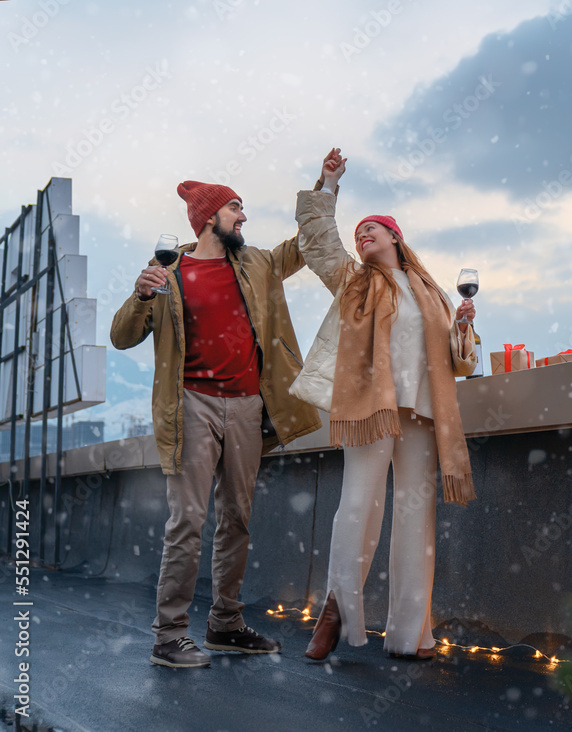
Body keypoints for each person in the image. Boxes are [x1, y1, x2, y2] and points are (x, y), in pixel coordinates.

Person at [110, 180, 322, 668]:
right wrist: (142, 295)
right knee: (188, 520)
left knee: (237, 519)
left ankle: (226, 624)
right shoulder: (169, 272)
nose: (243, 218)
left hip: (248, 406)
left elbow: (307, 245)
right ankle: (169, 635)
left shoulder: (256, 264)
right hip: (192, 405)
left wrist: (323, 188)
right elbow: (122, 337)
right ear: (208, 218)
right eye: (235, 209)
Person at [290, 147, 477, 661]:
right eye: (358, 233)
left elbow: (460, 363)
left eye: (371, 229)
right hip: (370, 406)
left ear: (395, 237)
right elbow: (317, 242)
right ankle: (335, 612)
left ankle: (410, 634)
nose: (361, 235)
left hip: (421, 413)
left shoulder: (432, 293)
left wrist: (463, 327)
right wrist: (327, 183)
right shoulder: (354, 281)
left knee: (415, 518)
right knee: (358, 506)